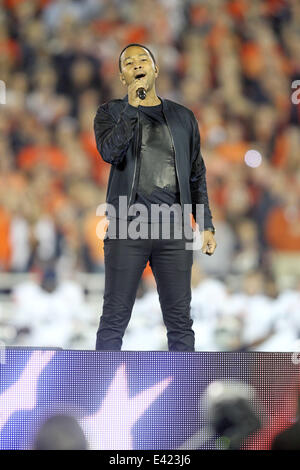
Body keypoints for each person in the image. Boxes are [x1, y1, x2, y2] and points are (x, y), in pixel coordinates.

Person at [93, 43, 217, 351]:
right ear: (123, 77)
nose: (136, 64)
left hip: (173, 229)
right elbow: (111, 152)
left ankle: (183, 396)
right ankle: (97, 394)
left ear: (155, 69)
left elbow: (196, 173)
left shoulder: (183, 117)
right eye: (128, 62)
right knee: (114, 317)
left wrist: (206, 224)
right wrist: (132, 110)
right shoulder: (109, 113)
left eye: (143, 59)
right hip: (127, 226)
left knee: (179, 320)